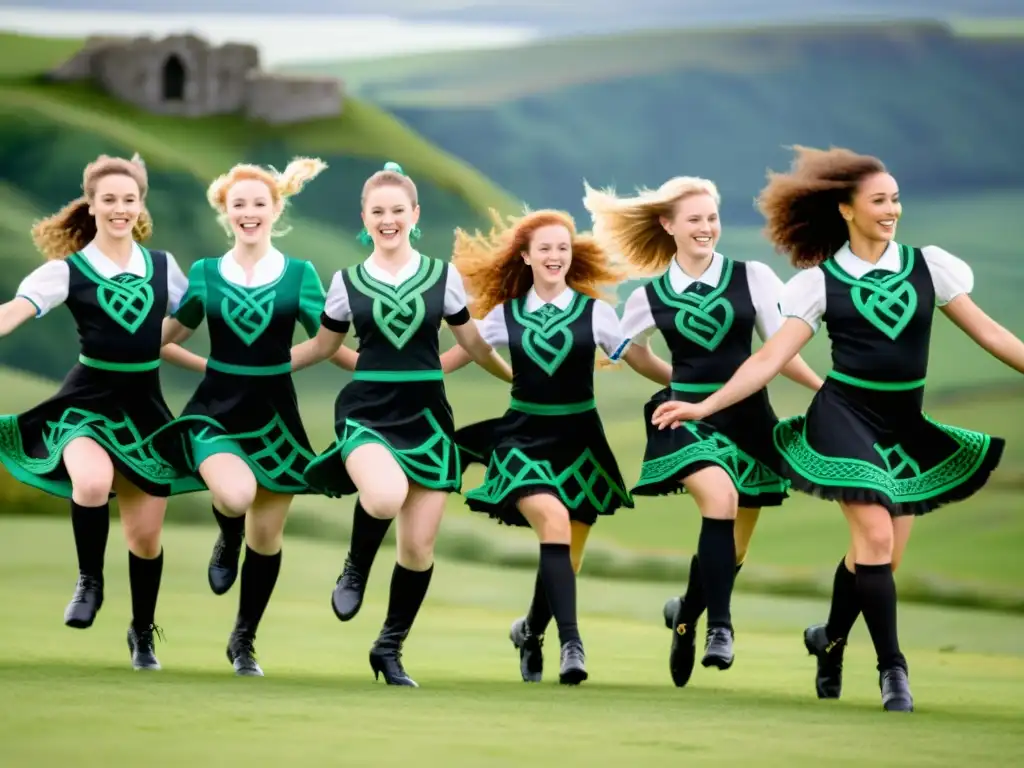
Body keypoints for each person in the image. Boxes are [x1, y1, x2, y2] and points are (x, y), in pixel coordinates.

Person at [650, 146, 1020, 711]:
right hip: (844, 416)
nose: (892, 209)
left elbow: (993, 336)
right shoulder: (817, 284)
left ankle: (831, 640)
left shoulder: (932, 267)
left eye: (895, 198)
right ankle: (893, 669)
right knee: (873, 539)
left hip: (904, 423)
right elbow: (767, 360)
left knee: (884, 558)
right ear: (847, 209)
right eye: (879, 200)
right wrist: (703, 406)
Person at [583, 175, 823, 687]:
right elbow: (626, 349)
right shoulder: (648, 298)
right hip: (683, 415)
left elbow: (778, 353)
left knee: (734, 548)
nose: (706, 228)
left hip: (749, 417)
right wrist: (677, 383)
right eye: (695, 219)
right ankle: (721, 626)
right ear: (669, 225)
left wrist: (823, 389)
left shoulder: (753, 277)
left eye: (711, 218)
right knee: (720, 498)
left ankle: (686, 615)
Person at [291, 161, 512, 687]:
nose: (387, 219)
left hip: (428, 418)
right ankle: (355, 568)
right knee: (385, 495)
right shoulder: (345, 283)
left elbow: (472, 345)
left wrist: (511, 378)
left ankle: (388, 649)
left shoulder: (444, 278)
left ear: (414, 215)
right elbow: (325, 347)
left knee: (418, 548)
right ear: (364, 218)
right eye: (377, 212)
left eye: (397, 210)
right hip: (368, 411)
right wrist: (266, 363)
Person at [438, 208, 671, 684]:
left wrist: (694, 386)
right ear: (525, 256)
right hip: (523, 438)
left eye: (562, 248)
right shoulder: (504, 316)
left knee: (565, 554)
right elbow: (456, 357)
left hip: (580, 442)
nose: (554, 256)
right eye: (544, 248)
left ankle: (530, 631)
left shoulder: (598, 314)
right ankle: (572, 645)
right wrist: (396, 377)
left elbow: (640, 358)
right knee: (555, 521)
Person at [0, 153, 201, 671]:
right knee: (90, 483)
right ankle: (89, 582)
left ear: (140, 207)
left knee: (146, 538)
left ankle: (142, 633)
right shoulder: (65, 271)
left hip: (145, 408)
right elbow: (12, 314)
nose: (119, 208)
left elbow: (192, 316)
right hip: (85, 402)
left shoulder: (164, 268)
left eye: (129, 200)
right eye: (109, 199)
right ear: (91, 205)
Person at [160, 156, 355, 676]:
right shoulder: (204, 274)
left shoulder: (299, 275)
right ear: (227, 211)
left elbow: (327, 341)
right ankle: (227, 534)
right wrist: (116, 340)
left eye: (259, 203)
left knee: (266, 539)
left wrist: (379, 369)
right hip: (214, 411)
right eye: (239, 203)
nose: (249, 212)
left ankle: (243, 641)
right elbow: (167, 336)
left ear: (276, 209)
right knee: (237, 496)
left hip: (275, 421)